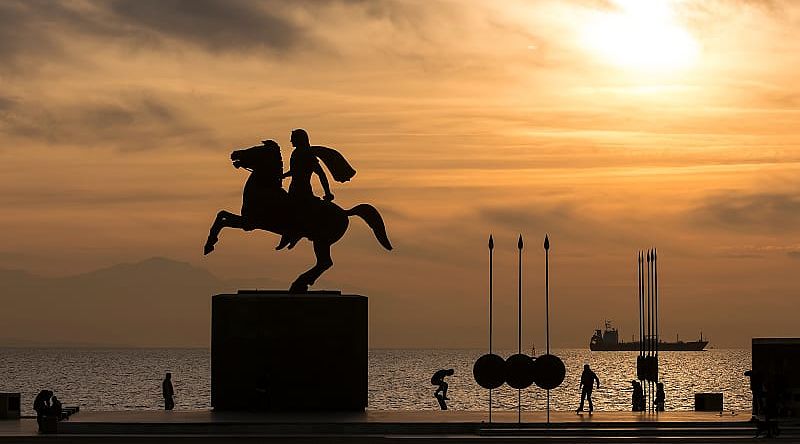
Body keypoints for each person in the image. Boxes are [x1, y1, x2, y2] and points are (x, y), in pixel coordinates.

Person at [276, 129, 335, 251]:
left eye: (293, 138)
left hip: (303, 190)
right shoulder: (296, 153)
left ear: (299, 139)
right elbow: (294, 171)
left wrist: (327, 192)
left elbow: (321, 174)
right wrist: (283, 176)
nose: (291, 140)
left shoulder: (308, 154)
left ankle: (295, 233)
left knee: (292, 210)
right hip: (293, 188)